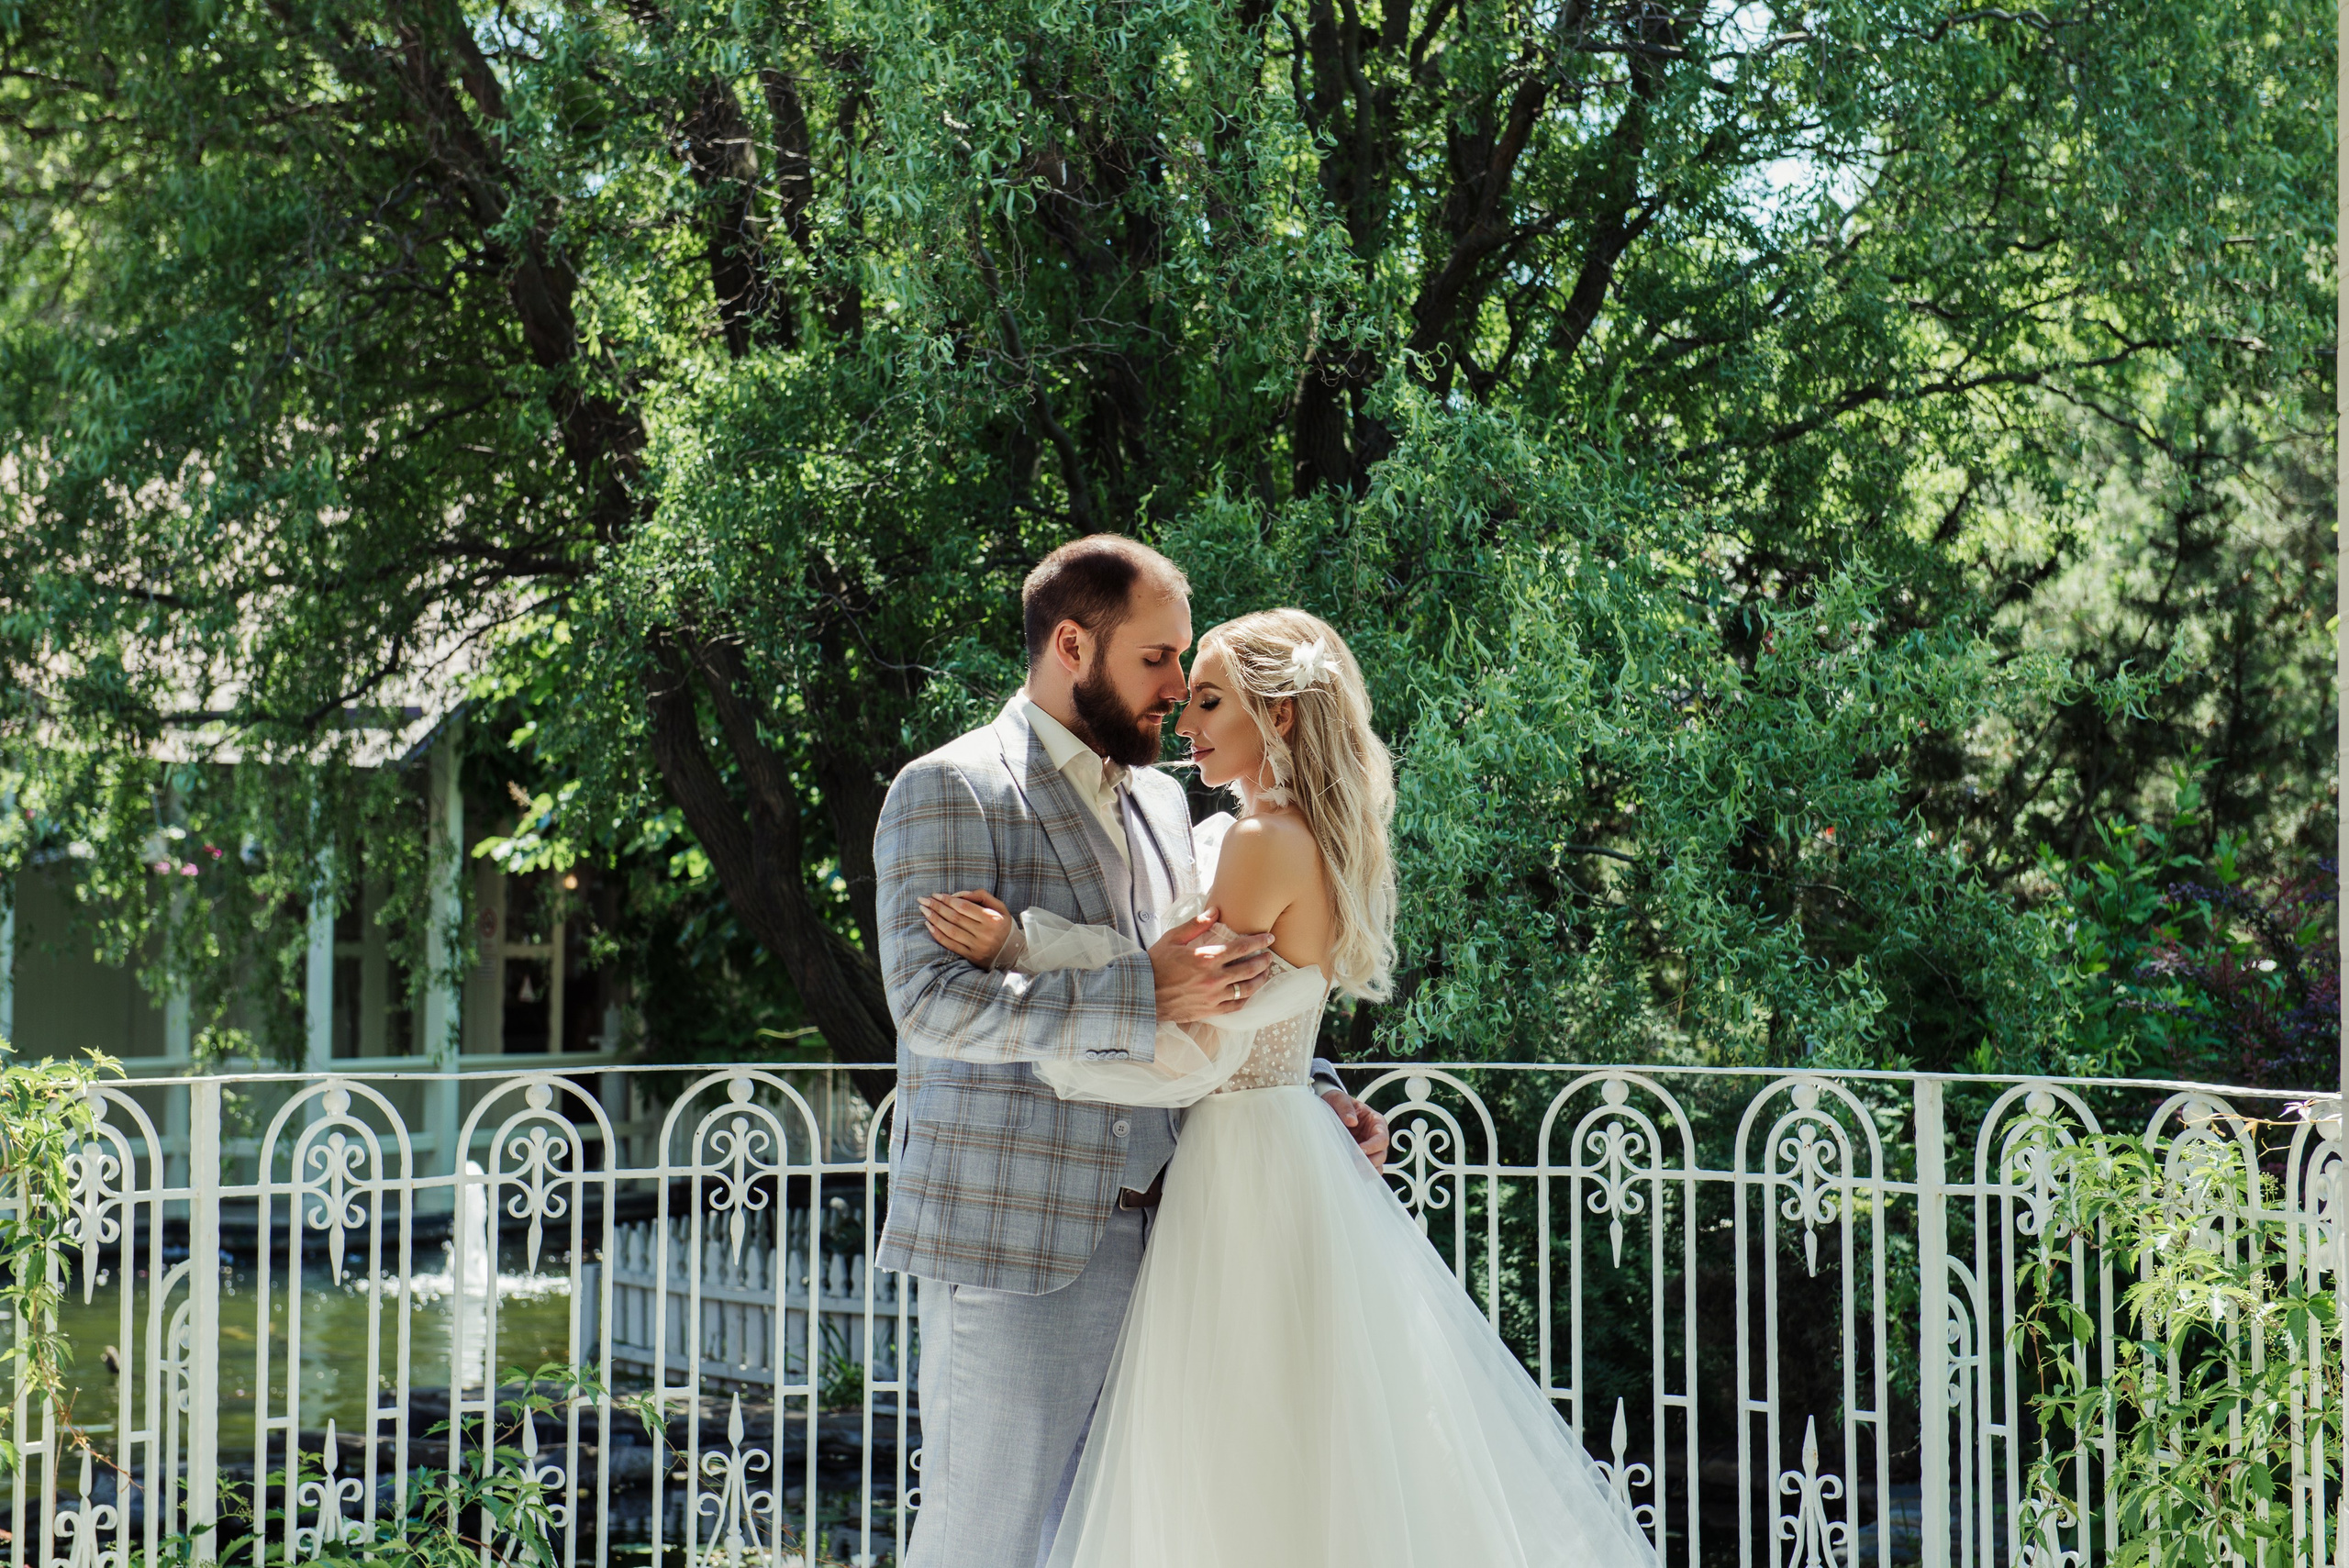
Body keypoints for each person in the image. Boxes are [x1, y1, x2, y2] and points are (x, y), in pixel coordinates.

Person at [922, 608, 1660, 1568]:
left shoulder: (1261, 839)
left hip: (1241, 1163)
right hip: (1282, 1150)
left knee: (1232, 1457)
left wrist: (1032, 999)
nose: (1186, 724)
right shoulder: (1291, 830)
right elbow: (1206, 993)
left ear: (1278, 713)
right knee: (1303, 1448)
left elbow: (1193, 1048)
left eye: (1209, 701)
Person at [871, 538, 1390, 1568]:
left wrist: (1306, 1082)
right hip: (1022, 1242)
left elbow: (1225, 977)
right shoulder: (951, 789)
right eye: (1157, 660)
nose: (1172, 689)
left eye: (1187, 666)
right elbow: (930, 1002)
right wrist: (1131, 990)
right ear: (1073, 643)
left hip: (1188, 1237)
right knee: (988, 1541)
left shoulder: (1166, 800)